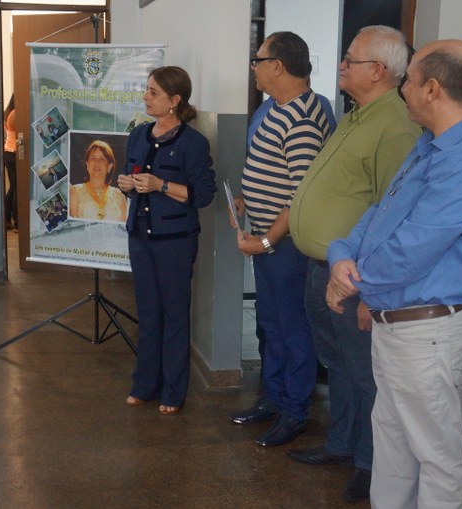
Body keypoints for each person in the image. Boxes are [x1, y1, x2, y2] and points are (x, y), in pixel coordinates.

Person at [326, 39, 462, 509]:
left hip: (425, 331)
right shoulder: (429, 145)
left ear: (431, 89)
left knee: (435, 455)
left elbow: (414, 249)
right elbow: (379, 215)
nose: (401, 89)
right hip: (398, 325)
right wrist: (342, 255)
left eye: (407, 80)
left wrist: (351, 281)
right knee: (392, 446)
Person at [287, 25, 422, 502]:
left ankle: (370, 462)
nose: (341, 65)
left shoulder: (396, 126)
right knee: (338, 363)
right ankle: (341, 443)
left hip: (354, 278)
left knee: (365, 371)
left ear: (378, 70)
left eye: (350, 59)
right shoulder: (356, 114)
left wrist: (371, 293)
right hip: (323, 267)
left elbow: (392, 212)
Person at [228, 32, 332, 447]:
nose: (253, 67)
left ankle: (294, 411)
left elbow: (300, 195)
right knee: (270, 323)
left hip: (286, 246)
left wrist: (267, 242)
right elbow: (272, 171)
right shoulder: (274, 107)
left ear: (278, 65)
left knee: (293, 328)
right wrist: (246, 197)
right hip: (267, 237)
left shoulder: (303, 118)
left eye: (258, 59)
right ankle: (272, 398)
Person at [117, 66, 216, 414]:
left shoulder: (192, 142)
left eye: (153, 92)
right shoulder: (138, 134)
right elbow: (130, 176)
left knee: (174, 314)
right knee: (148, 313)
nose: (145, 96)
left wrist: (160, 185)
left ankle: (173, 391)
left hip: (175, 241)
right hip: (140, 237)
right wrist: (126, 185)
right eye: (146, 90)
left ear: (174, 100)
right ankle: (144, 385)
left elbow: (203, 195)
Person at [70, 140, 127, 222]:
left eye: (102, 159)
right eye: (93, 158)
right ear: (87, 164)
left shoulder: (119, 196)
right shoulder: (75, 192)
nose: (97, 162)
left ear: (109, 166)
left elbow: (123, 227)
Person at [3, 96, 18, 230]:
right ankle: (17, 222)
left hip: (9, 152)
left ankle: (7, 219)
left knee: (13, 187)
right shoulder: (15, 114)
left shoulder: (8, 112)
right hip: (14, 153)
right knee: (17, 188)